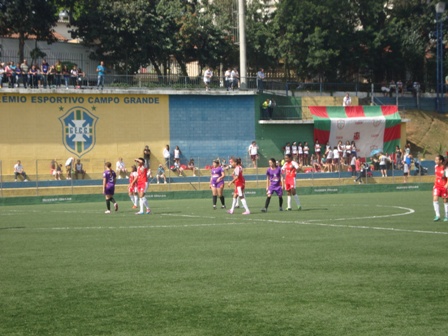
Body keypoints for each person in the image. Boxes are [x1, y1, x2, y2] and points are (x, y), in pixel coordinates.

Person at [432, 155, 448, 221]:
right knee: (435, 199)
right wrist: (434, 184)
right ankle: (437, 215)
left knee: (445, 201)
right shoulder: (435, 167)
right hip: (437, 186)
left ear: (441, 161)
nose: (435, 161)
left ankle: (446, 216)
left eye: (436, 160)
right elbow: (437, 176)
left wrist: (446, 186)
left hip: (444, 186)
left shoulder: (445, 169)